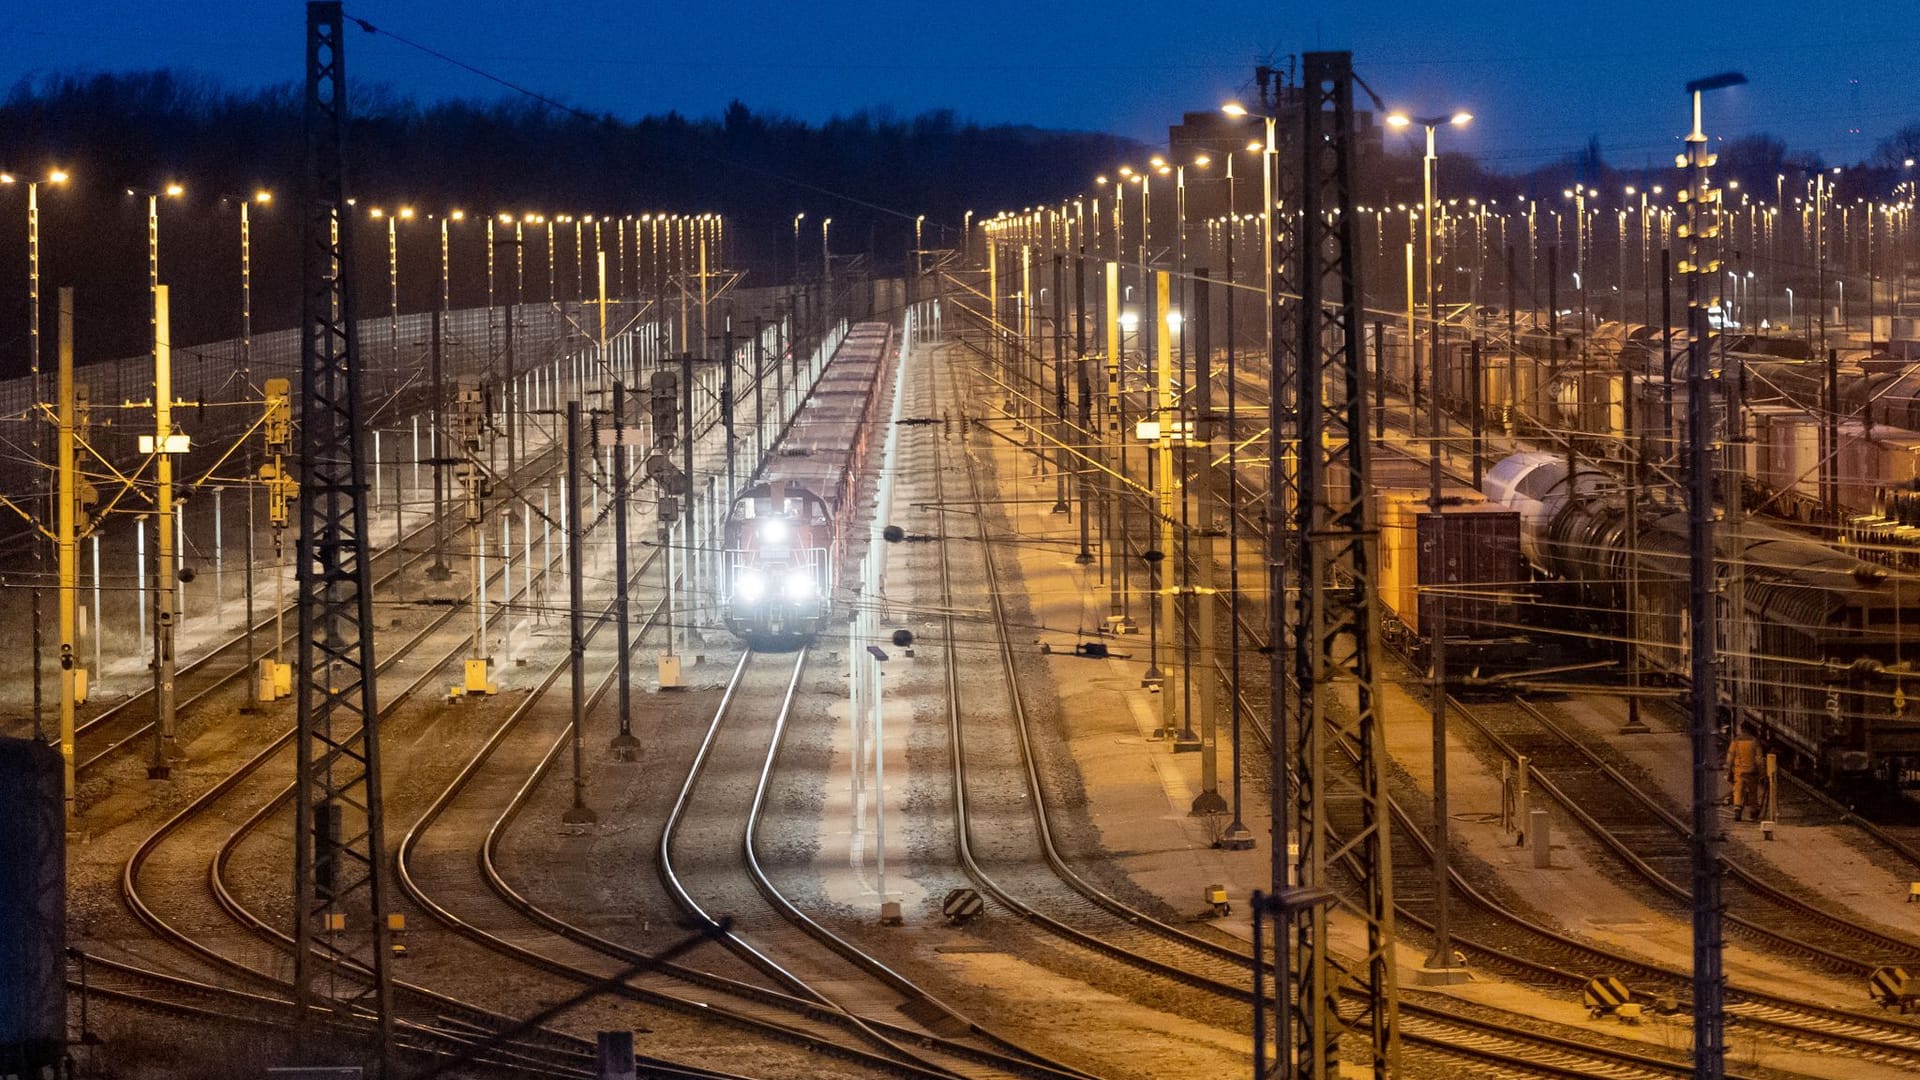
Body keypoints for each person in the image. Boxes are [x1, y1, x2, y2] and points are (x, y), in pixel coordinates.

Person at [1725, 724, 1763, 822]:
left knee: (1738, 791)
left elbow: (1730, 757)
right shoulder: (1755, 741)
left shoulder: (1736, 741)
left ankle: (1737, 812)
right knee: (1753, 792)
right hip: (1752, 772)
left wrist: (1729, 769)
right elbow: (1759, 759)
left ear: (1742, 730)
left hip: (1739, 771)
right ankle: (1753, 812)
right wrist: (1762, 772)